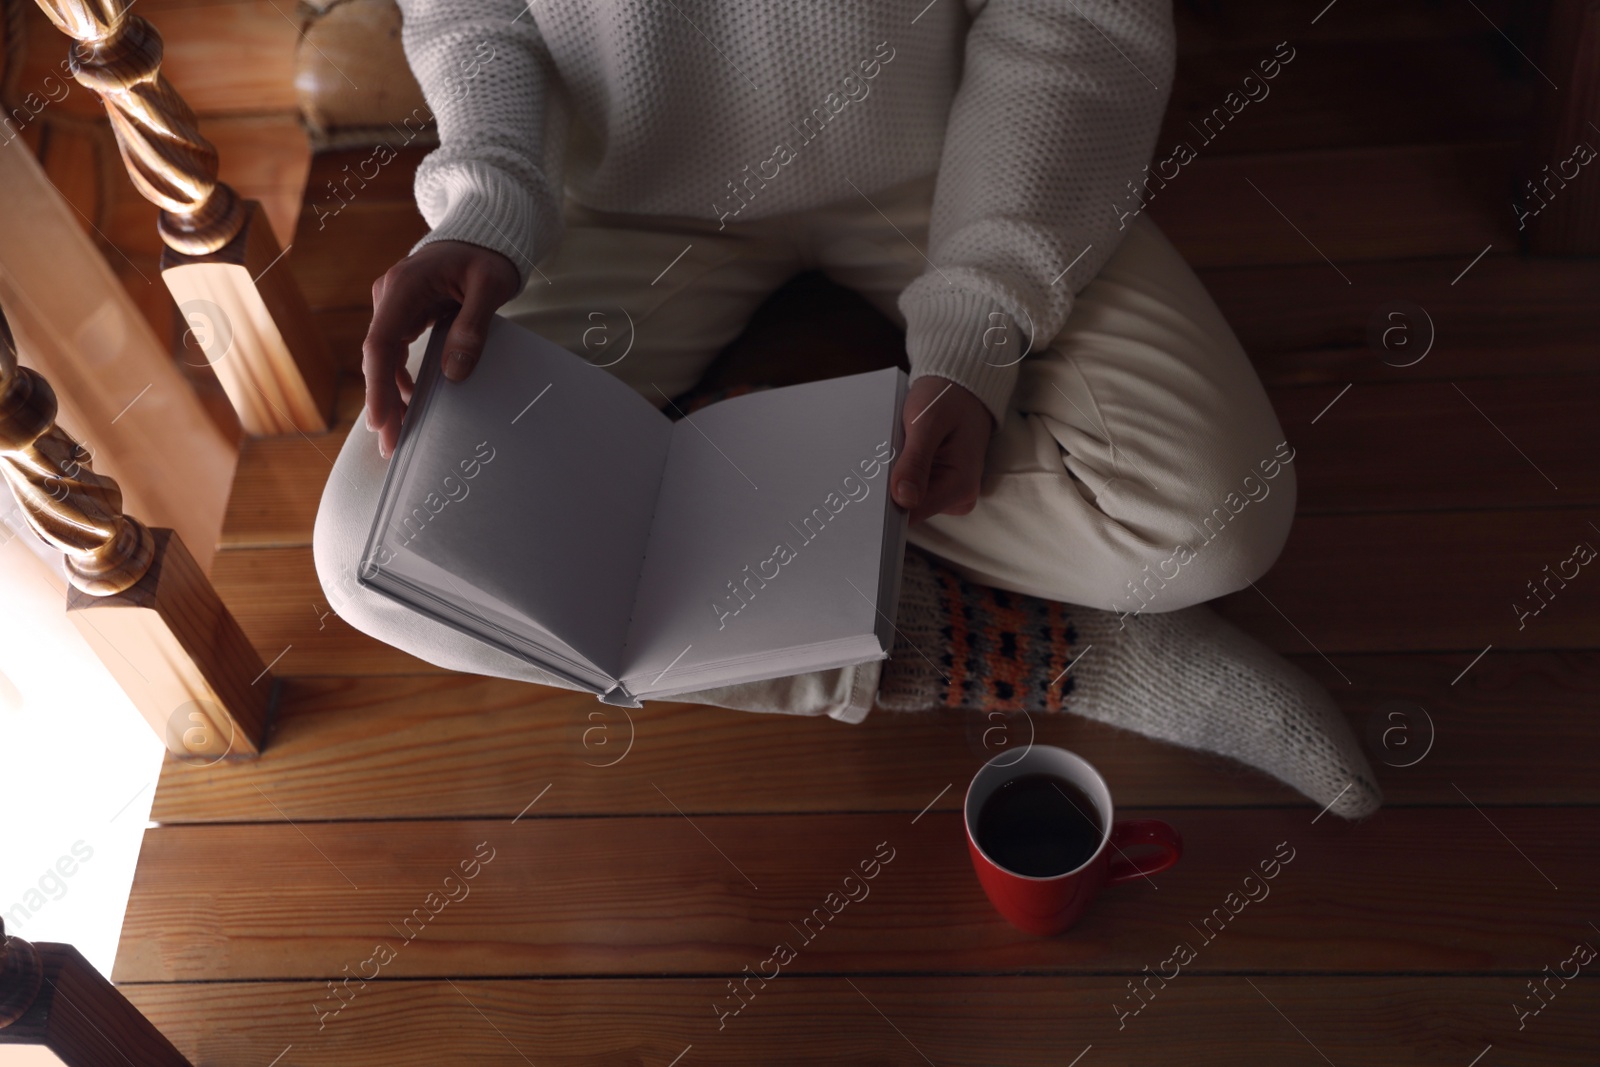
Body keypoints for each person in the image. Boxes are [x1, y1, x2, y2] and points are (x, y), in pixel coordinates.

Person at [316, 0, 1381, 817]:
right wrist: (488, 208)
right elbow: (475, 13)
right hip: (615, 195)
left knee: (1210, 522)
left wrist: (978, 327)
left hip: (950, 155)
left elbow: (1073, 15)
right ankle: (1040, 650)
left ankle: (726, 480)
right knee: (384, 559)